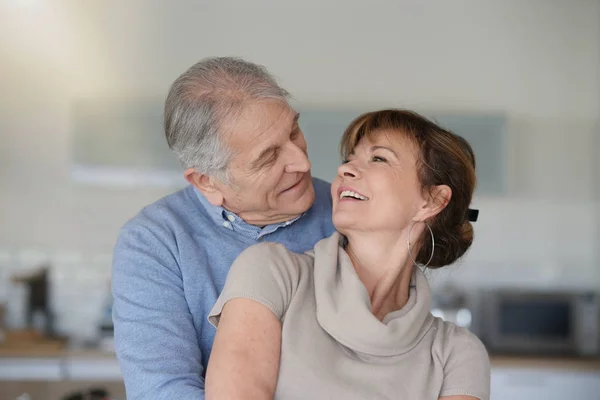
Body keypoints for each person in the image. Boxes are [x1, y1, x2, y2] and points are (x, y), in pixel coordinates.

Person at [206, 109, 490, 400]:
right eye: (349, 159)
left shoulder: (457, 354)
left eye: (378, 158)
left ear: (432, 200)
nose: (345, 170)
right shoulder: (270, 272)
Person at [111, 57, 335, 399]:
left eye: (293, 132)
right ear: (208, 182)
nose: (302, 162)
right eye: (269, 157)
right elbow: (162, 390)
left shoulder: (349, 212)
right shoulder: (154, 242)